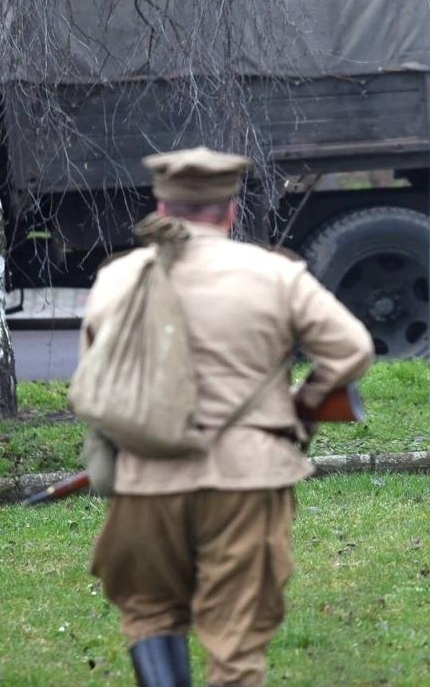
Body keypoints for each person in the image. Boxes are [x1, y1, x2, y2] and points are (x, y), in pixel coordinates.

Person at [79, 147, 374, 687]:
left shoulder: (118, 278)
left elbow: (98, 379)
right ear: (230, 211)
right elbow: (351, 348)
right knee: (236, 644)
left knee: (148, 613)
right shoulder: (273, 274)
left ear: (162, 209)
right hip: (248, 479)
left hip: (147, 477)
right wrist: (304, 407)